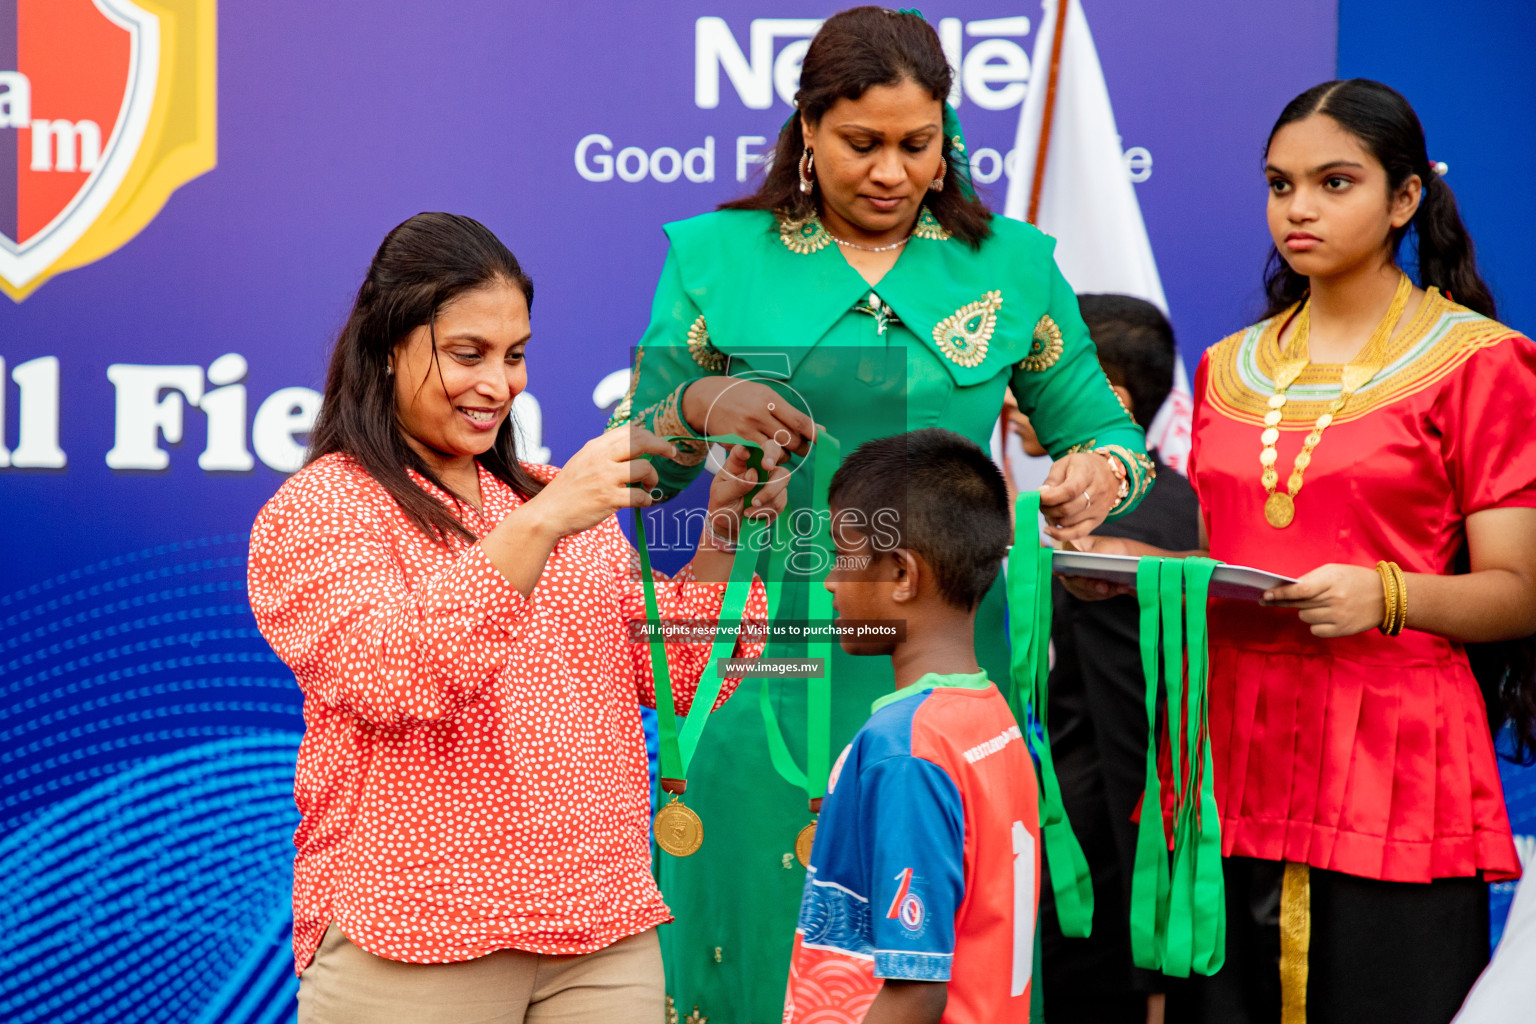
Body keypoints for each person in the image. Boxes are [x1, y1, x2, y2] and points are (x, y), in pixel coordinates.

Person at [608, 9, 1151, 1019]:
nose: (894, 171)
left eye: (918, 144)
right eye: (864, 144)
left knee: (937, 969)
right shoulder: (717, 257)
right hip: (759, 671)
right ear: (808, 131)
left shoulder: (1010, 267)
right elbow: (643, 471)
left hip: (938, 675)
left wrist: (1097, 477)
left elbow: (1113, 440)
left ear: (947, 137)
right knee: (755, 953)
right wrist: (694, 406)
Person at [1071, 80, 1536, 1023]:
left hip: (1392, 758)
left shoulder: (1483, 361)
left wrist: (1388, 595)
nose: (1301, 209)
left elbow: (1520, 592)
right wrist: (1120, 566)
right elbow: (1220, 556)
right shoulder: (1227, 364)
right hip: (1231, 744)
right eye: (1281, 185)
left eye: (1334, 182)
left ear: (1405, 199)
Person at [246, 212, 781, 1024]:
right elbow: (397, 678)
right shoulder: (324, 508)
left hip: (604, 936)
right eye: (467, 354)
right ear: (388, 345)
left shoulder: (547, 492)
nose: (498, 384)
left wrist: (727, 522)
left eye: (515, 354)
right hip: (417, 941)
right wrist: (542, 522)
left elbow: (673, 678)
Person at [783, 428, 1040, 1024]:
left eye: (843, 557)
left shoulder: (906, 751)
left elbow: (915, 991)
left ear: (901, 574)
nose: (829, 581)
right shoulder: (991, 717)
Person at [1032, 296, 1200, 1024]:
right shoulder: (1172, 501)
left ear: (1108, 397)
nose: (1015, 393)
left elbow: (1134, 739)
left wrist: (1157, 952)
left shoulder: (1122, 536)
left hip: (1103, 879)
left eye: (1038, 372)